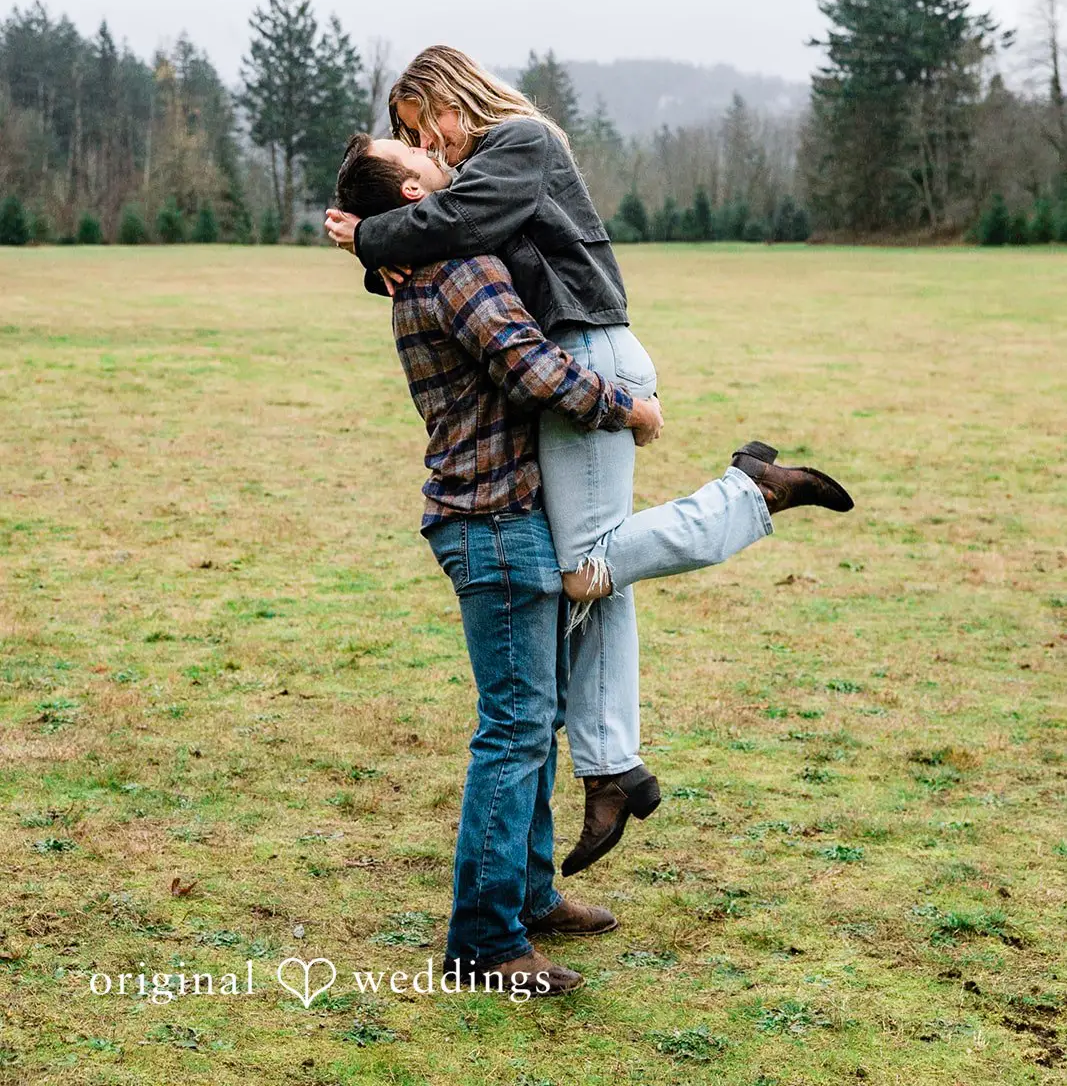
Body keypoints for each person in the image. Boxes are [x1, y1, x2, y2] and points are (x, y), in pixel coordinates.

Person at [326, 47, 853, 873]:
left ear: (448, 101)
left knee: (585, 567)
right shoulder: (462, 187)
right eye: (408, 139)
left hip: (585, 357)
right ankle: (611, 769)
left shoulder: (521, 143)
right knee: (596, 569)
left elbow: (452, 227)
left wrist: (366, 236)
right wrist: (376, 251)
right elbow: (441, 248)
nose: (424, 145)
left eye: (416, 125)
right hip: (566, 361)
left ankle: (748, 494)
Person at [344, 133, 664, 995]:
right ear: (415, 191)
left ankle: (527, 895)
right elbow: (530, 369)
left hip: (486, 517)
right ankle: (483, 944)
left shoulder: (424, 268)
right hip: (497, 521)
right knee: (516, 728)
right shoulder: (455, 270)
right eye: (410, 147)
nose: (432, 151)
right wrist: (625, 408)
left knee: (533, 716)